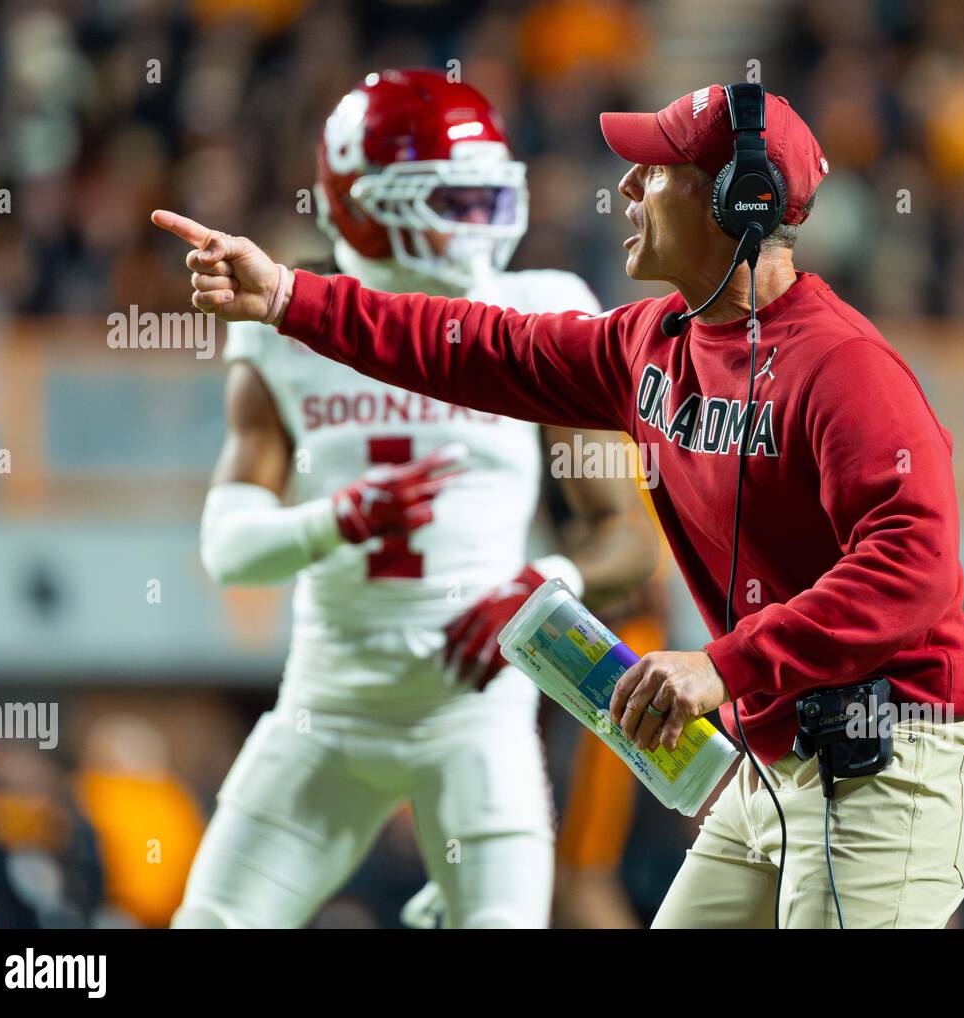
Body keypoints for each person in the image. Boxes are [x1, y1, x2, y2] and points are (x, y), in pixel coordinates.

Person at [154, 81, 964, 929]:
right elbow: (477, 347)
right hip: (788, 760)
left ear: (734, 201)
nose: (628, 189)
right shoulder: (653, 341)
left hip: (896, 749)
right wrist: (289, 299)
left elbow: (915, 568)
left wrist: (723, 665)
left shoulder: (844, 368)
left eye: (655, 171)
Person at [170, 69, 655, 929]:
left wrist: (540, 584)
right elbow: (228, 547)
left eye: (485, 201)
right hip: (328, 711)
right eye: (449, 202)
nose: (477, 229)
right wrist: (341, 520)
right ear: (358, 204)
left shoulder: (542, 310)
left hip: (476, 718)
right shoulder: (285, 334)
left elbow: (626, 540)